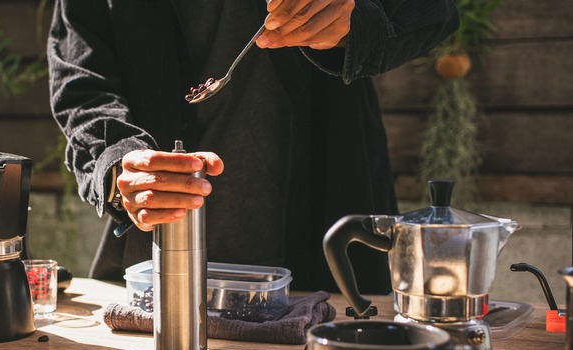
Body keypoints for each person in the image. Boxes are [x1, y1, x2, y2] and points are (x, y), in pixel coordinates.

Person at [48, 0, 458, 293]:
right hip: (151, 274)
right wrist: (120, 163)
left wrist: (360, 20)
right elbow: (79, 76)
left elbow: (434, 10)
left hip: (328, 262)